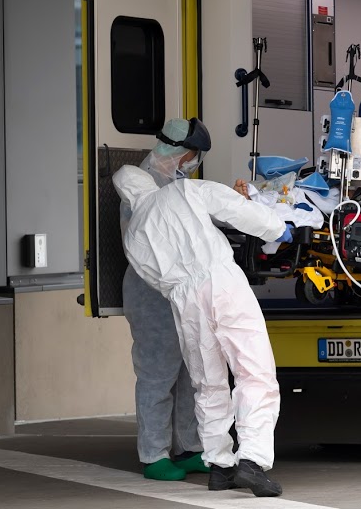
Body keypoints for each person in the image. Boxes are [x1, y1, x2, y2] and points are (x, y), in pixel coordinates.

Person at [114, 117, 291, 497]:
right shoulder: (182, 191)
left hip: (178, 297)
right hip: (215, 283)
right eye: (194, 156)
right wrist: (277, 229)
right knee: (252, 371)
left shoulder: (136, 229)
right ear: (184, 153)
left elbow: (158, 264)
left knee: (204, 381)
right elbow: (225, 208)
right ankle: (249, 461)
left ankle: (217, 462)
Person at [120, 118, 211, 481]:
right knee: (158, 374)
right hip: (152, 291)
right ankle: (154, 454)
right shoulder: (141, 185)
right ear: (183, 153)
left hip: (181, 290)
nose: (194, 162)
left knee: (189, 372)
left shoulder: (174, 182)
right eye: (194, 156)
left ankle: (189, 447)